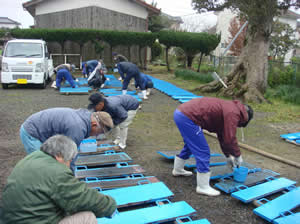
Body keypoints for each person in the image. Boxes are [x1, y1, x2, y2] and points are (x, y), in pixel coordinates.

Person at [2, 135, 117, 224]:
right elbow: (83, 198)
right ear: (59, 155)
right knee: (88, 217)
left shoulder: (32, 158)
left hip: (12, 219)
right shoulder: (57, 172)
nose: (69, 164)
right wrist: (110, 205)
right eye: (69, 160)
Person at [172, 97, 253, 196]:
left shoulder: (231, 108)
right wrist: (237, 155)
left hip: (182, 113)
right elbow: (230, 138)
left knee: (191, 144)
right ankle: (203, 186)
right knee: (203, 150)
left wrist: (228, 156)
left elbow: (223, 135)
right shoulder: (233, 114)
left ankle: (178, 170)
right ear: (245, 119)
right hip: (188, 117)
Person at [20, 108, 114, 154]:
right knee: (41, 165)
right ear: (94, 125)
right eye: (99, 133)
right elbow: (69, 155)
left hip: (42, 129)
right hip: (32, 133)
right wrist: (70, 177)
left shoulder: (84, 116)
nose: (96, 136)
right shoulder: (78, 128)